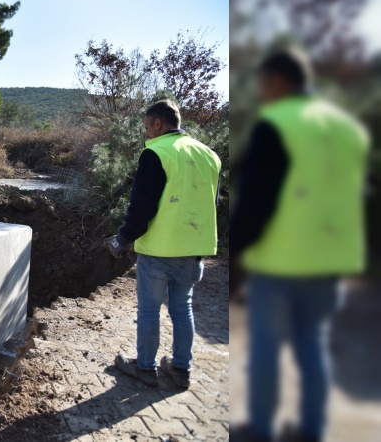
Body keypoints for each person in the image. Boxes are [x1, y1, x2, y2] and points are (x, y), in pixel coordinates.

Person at [230, 48, 370, 442]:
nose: (261, 93)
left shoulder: (277, 124)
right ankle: (313, 429)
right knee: (313, 344)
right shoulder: (349, 129)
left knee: (266, 352)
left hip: (281, 259)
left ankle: (260, 430)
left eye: (262, 85)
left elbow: (259, 199)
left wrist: (239, 251)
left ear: (277, 81)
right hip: (330, 259)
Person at [107, 99, 222, 390]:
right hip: (194, 250)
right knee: (182, 309)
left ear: (158, 124)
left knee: (149, 310)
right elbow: (211, 202)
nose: (146, 134)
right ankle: (181, 369)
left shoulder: (156, 153)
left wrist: (123, 238)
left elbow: (142, 206)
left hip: (159, 250)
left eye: (147, 128)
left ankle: (145, 368)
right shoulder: (209, 155)